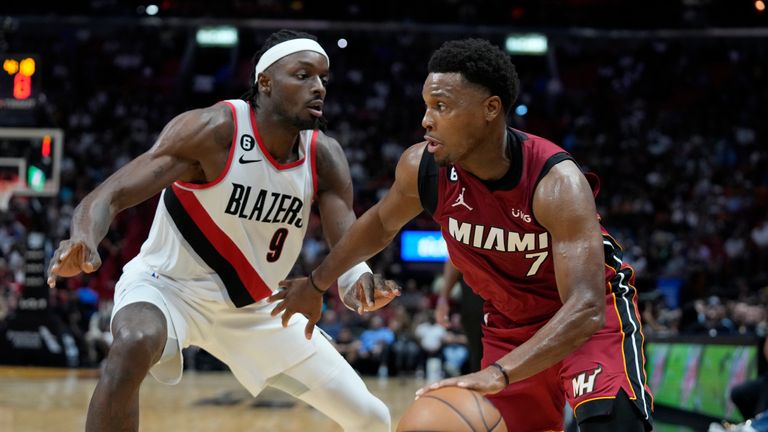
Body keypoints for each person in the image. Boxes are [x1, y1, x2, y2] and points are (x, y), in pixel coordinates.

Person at [271, 38, 654, 432]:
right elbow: (380, 225)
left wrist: (500, 373)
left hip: (585, 323)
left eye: (441, 106)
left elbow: (586, 306)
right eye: (426, 105)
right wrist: (317, 284)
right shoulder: (423, 168)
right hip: (508, 327)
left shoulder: (556, 182)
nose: (426, 119)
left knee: (613, 426)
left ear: (490, 109)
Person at [46, 29, 393, 432]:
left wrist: (358, 280)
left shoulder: (324, 156)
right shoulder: (215, 131)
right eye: (303, 76)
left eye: (323, 79)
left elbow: (345, 236)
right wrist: (83, 236)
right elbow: (112, 193)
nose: (318, 87)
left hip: (261, 307)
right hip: (168, 288)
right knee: (134, 342)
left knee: (373, 417)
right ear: (264, 82)